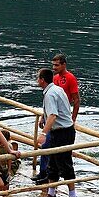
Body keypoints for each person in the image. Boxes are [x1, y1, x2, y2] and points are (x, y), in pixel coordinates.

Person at [34, 54, 81, 184]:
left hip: (61, 124)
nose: (54, 67)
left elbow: (76, 100)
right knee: (48, 152)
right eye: (53, 65)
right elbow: (52, 106)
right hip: (55, 122)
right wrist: (44, 115)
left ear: (64, 64)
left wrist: (73, 119)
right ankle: (45, 175)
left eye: (57, 65)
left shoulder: (70, 79)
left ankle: (70, 192)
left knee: (62, 159)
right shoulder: (54, 82)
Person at [36, 69, 77, 197]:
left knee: (65, 163)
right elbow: (54, 110)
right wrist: (44, 116)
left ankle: (73, 195)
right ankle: (51, 192)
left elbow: (53, 115)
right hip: (62, 130)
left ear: (42, 80)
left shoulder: (50, 94)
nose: (37, 80)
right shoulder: (57, 89)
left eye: (38, 78)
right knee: (52, 162)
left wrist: (43, 133)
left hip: (63, 131)